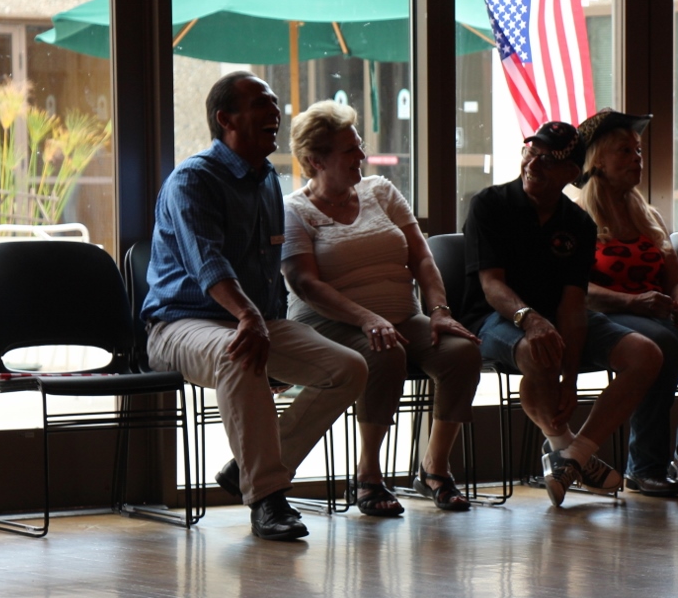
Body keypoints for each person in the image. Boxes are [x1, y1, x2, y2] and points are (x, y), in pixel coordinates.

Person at [142, 71, 368, 541]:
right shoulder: (193, 179)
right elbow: (210, 265)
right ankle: (267, 498)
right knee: (238, 354)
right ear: (226, 119)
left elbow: (268, 266)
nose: (276, 112)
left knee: (349, 368)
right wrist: (250, 319)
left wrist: (265, 323)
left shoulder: (267, 179)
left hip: (255, 321)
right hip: (179, 325)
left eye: (276, 102)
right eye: (262, 103)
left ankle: (245, 469)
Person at [282, 101, 482, 514]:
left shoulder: (381, 190)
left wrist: (440, 310)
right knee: (384, 352)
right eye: (349, 150)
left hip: (402, 317)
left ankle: (434, 468)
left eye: (359, 146)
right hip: (328, 323)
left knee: (462, 352)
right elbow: (306, 284)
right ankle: (368, 477)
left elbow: (422, 257)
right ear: (314, 160)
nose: (362, 156)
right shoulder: (294, 210)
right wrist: (367, 318)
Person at [461, 121, 663, 506]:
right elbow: (491, 285)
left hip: (555, 319)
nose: (533, 162)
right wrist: (531, 319)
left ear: (571, 172)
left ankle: (573, 457)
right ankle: (567, 449)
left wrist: (570, 379)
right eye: (531, 150)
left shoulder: (579, 223)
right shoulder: (490, 203)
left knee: (646, 354)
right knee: (537, 349)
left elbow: (573, 305)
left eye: (547, 158)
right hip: (493, 318)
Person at [576, 108, 678, 495]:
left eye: (638, 151)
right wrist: (633, 303)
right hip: (606, 317)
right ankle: (644, 465)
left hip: (655, 310)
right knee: (661, 345)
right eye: (624, 151)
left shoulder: (646, 215)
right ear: (597, 160)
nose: (636, 158)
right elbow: (577, 290)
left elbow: (676, 278)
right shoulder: (578, 217)